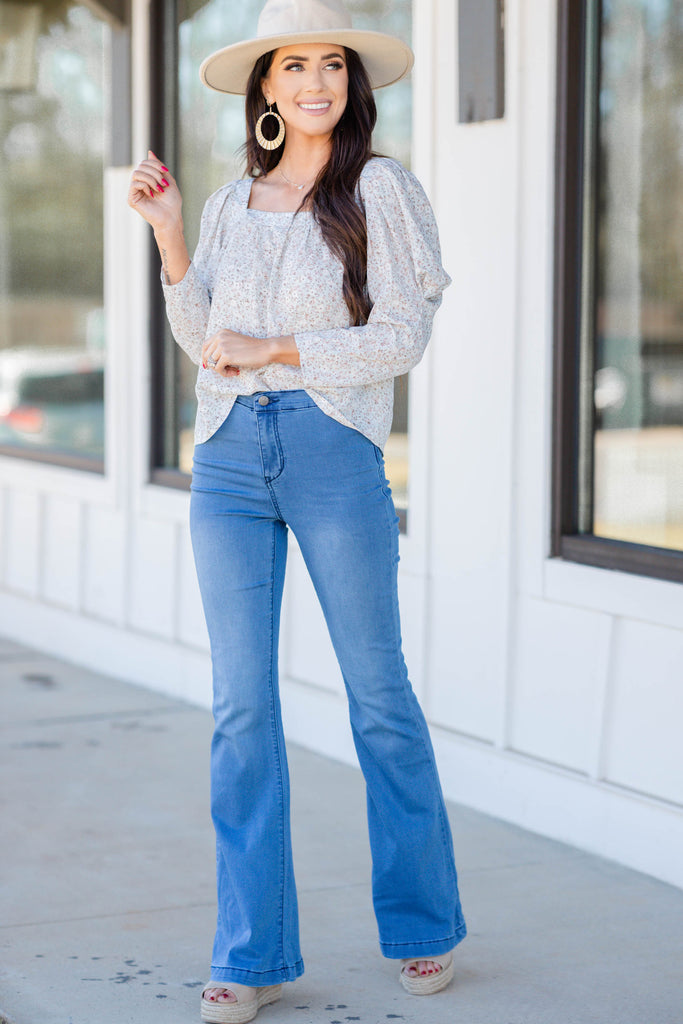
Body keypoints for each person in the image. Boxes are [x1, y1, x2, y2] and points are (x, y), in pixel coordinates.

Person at [128, 0, 466, 1019]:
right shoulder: (233, 201)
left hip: (331, 452)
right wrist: (171, 234)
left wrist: (275, 350)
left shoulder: (380, 189)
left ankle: (422, 923)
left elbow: (400, 337)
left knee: (377, 695)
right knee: (240, 707)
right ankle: (252, 951)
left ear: (347, 85)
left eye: (330, 65)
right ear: (265, 88)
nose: (313, 81)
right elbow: (203, 340)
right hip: (229, 460)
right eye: (293, 66)